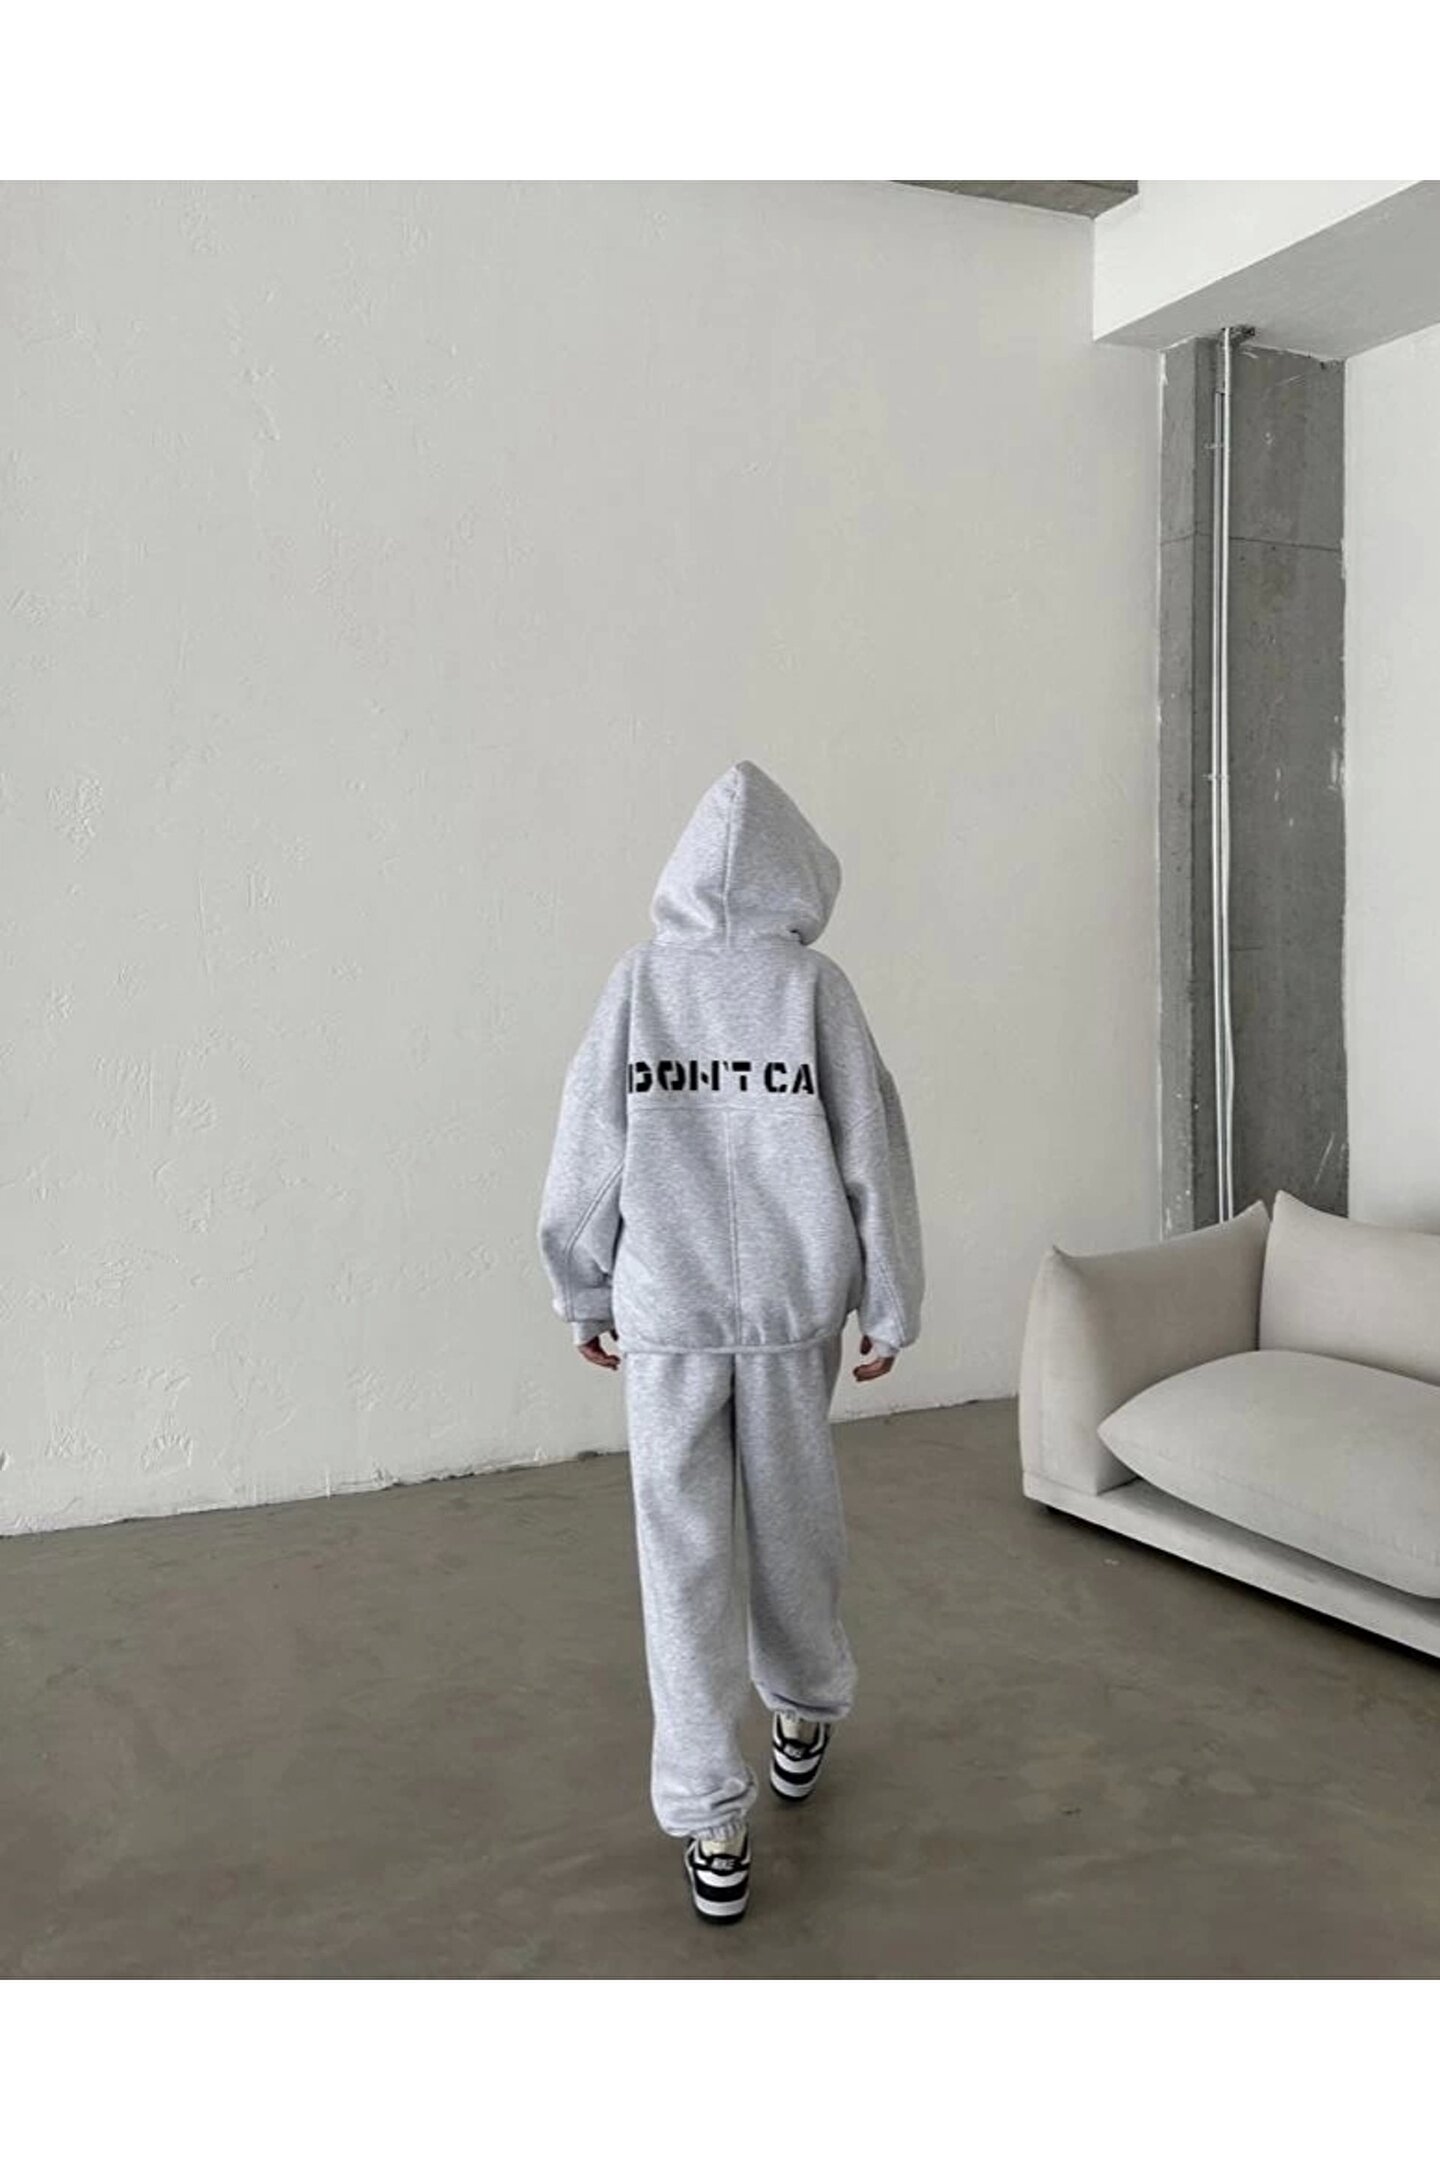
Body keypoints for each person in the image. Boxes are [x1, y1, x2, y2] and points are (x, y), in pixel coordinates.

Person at [537, 759, 924, 1925]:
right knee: (797, 1521)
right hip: (792, 1310)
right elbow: (873, 1149)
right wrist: (889, 1300)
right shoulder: (814, 988)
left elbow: (588, 1142)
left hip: (668, 1312)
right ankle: (802, 1707)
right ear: (796, 872)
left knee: (682, 1557)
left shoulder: (639, 983)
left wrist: (584, 1288)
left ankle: (710, 1816)